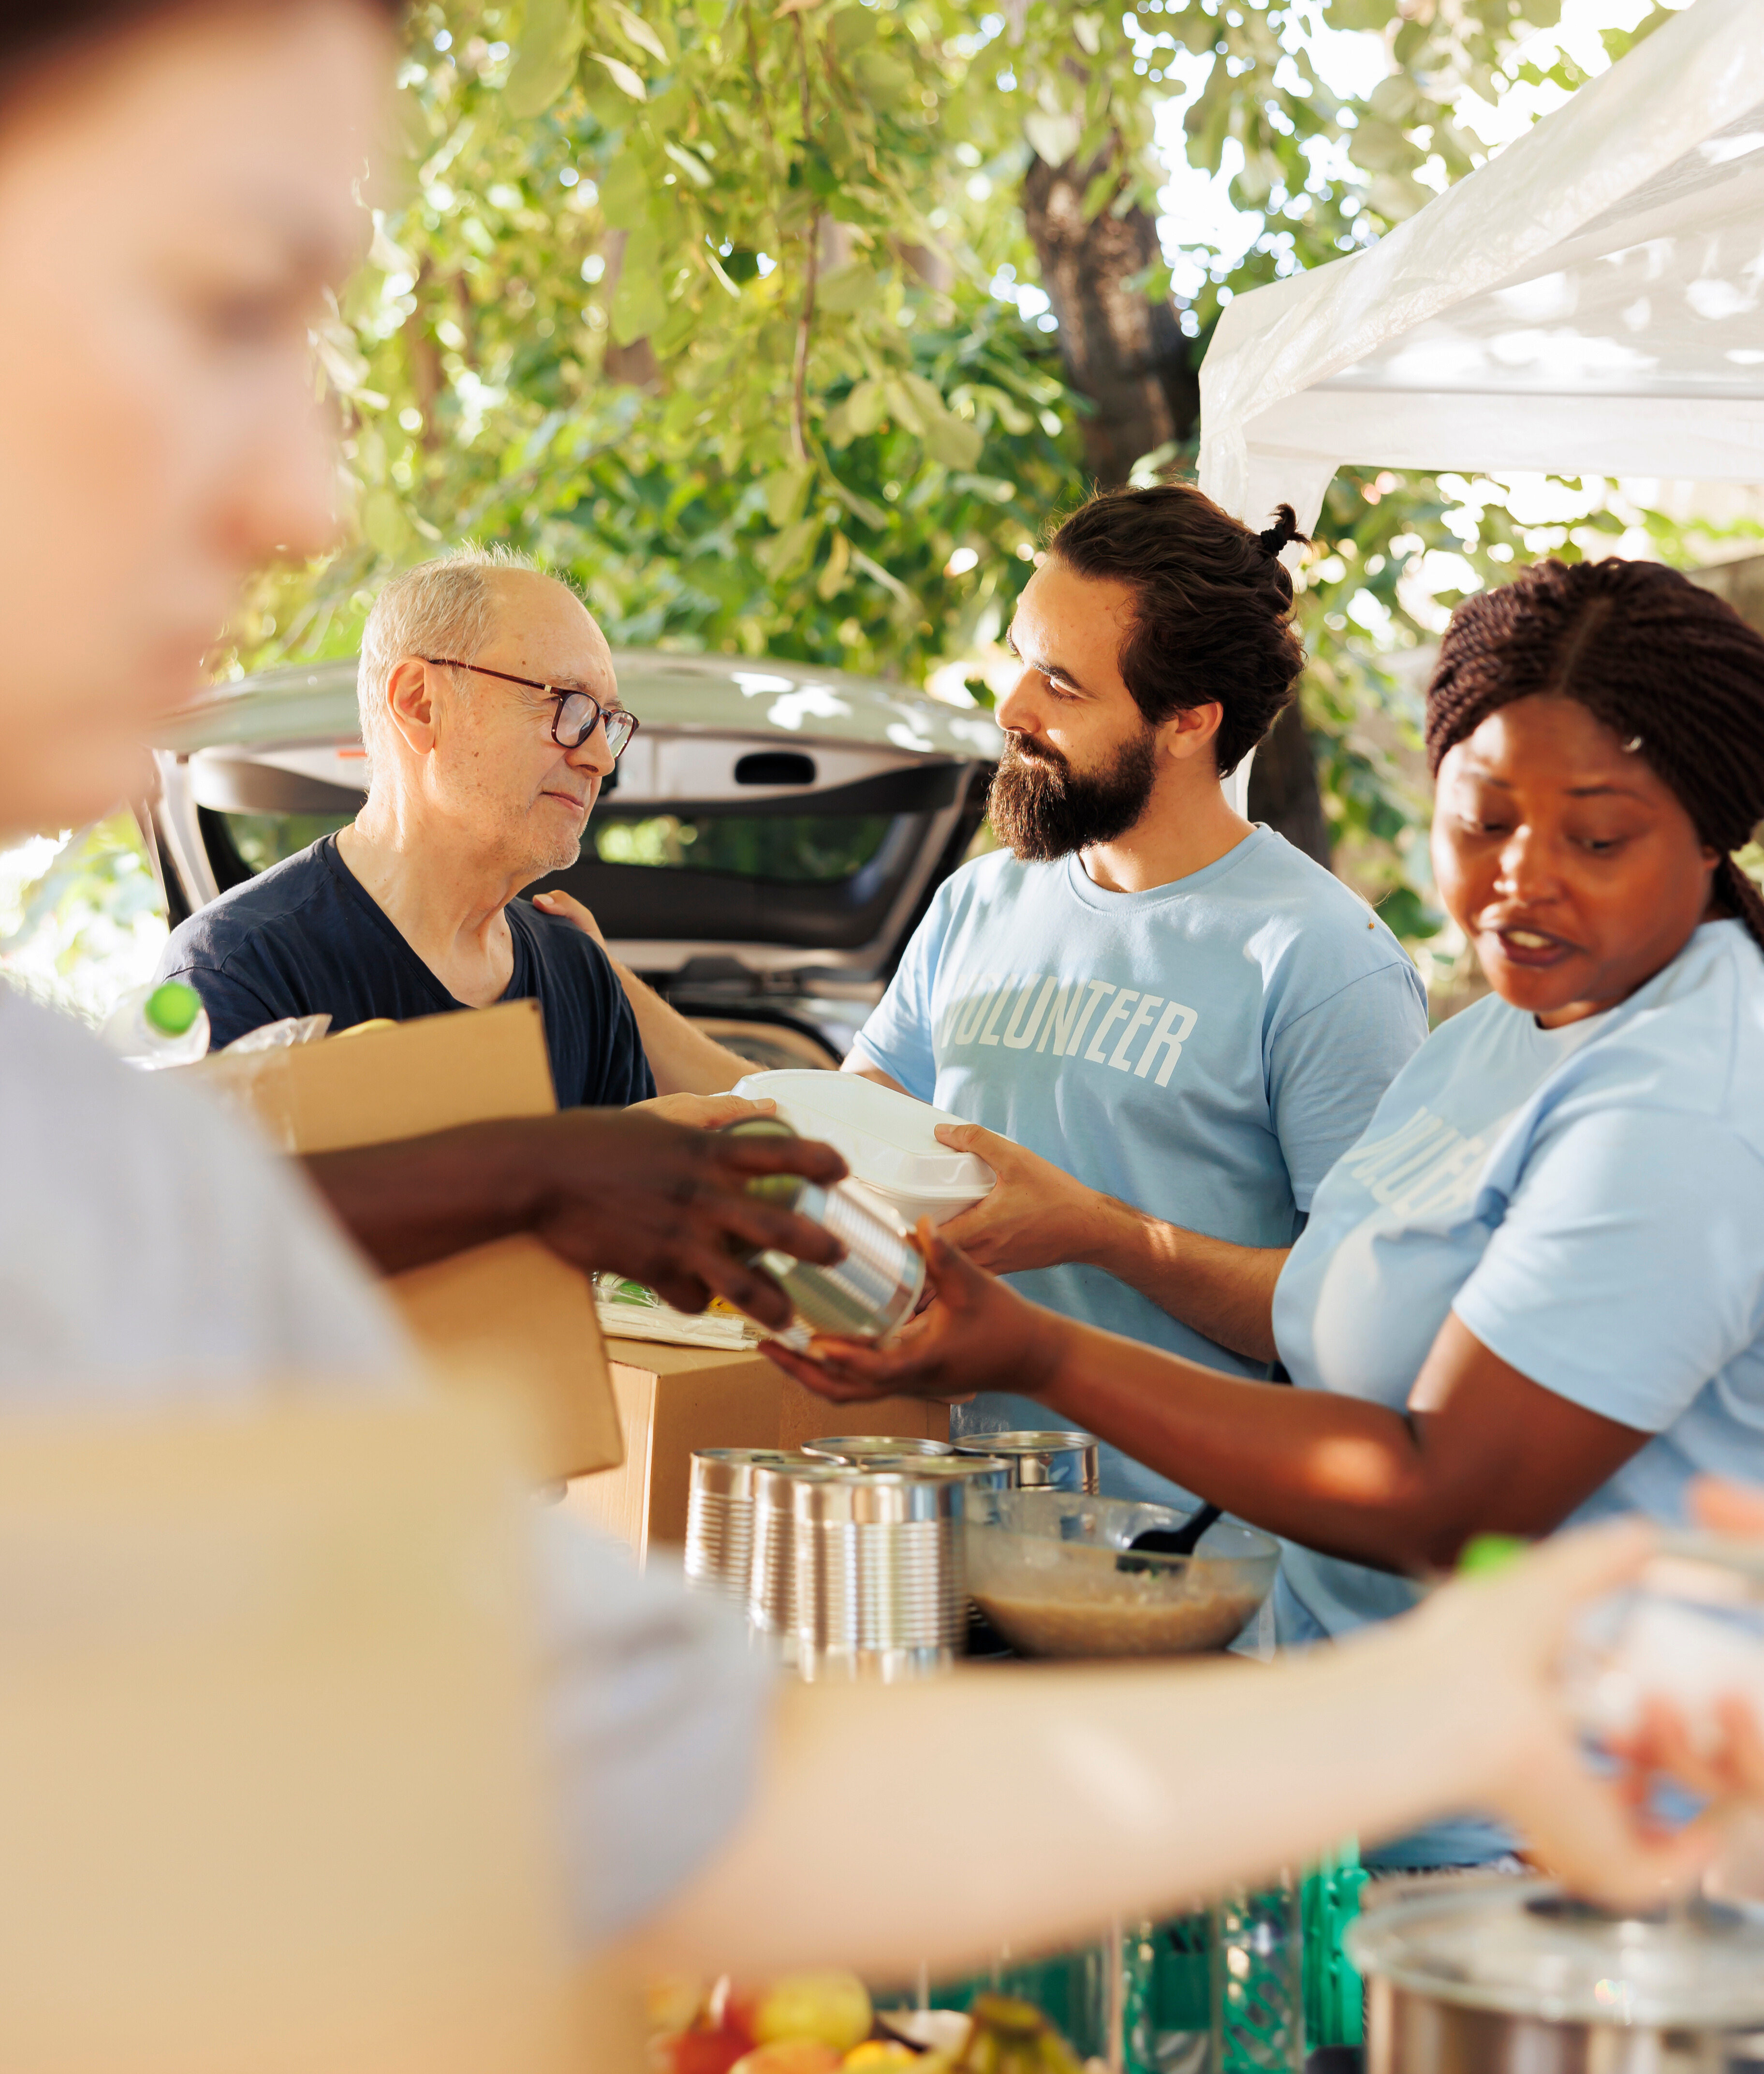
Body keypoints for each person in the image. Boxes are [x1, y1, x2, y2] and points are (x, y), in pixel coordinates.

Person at [1, 0, 1758, 1999]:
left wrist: (1442, 1704)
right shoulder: (196, 1033)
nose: (308, 498)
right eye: (218, 299)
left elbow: (698, 1797)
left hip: (1180, 1615)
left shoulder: (1363, 978)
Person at [764, 552, 1764, 1870]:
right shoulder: (1498, 1040)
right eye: (1481, 820)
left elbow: (1437, 1494)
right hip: (1363, 1777)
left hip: (1578, 1845)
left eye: (1597, 835)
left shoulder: (1686, 1094)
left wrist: (1037, 1344)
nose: (1524, 879)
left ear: (1707, 832)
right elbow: (1320, 1340)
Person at [838, 486, 1431, 1509]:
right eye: (1023, 656)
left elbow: (1364, 1324)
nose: (1012, 706)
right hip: (931, 1529)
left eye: (1062, 685)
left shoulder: (1326, 960)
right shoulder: (977, 900)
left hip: (1178, 1577)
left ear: (1189, 722)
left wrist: (1104, 1232)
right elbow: (850, 1137)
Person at [155, 544, 761, 1116]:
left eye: (607, 721)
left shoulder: (582, 975)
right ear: (421, 705)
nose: (601, 757)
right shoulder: (241, 971)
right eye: (568, 705)